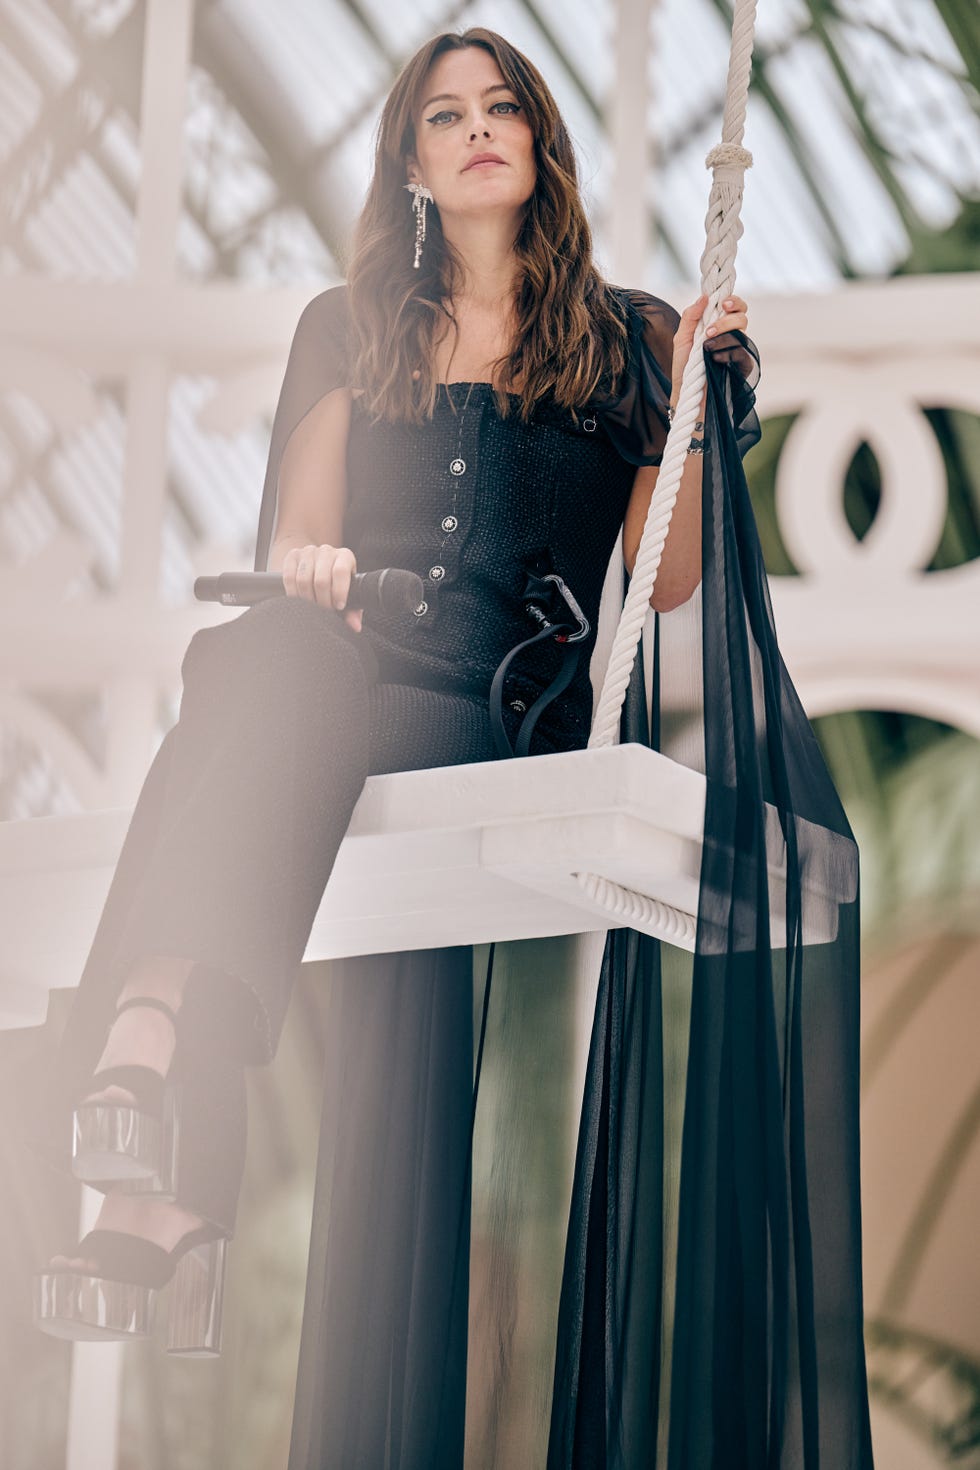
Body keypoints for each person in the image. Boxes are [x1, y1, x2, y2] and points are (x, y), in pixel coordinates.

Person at [33, 22, 756, 1393]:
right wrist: (314, 565)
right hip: (340, 670)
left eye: (503, 108)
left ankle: (152, 1097)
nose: (477, 129)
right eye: (444, 116)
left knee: (238, 705)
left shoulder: (630, 335)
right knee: (266, 660)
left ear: (538, 142)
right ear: (412, 162)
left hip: (498, 696)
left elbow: (665, 581)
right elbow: (301, 538)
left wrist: (695, 405)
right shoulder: (344, 325)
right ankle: (153, 1110)